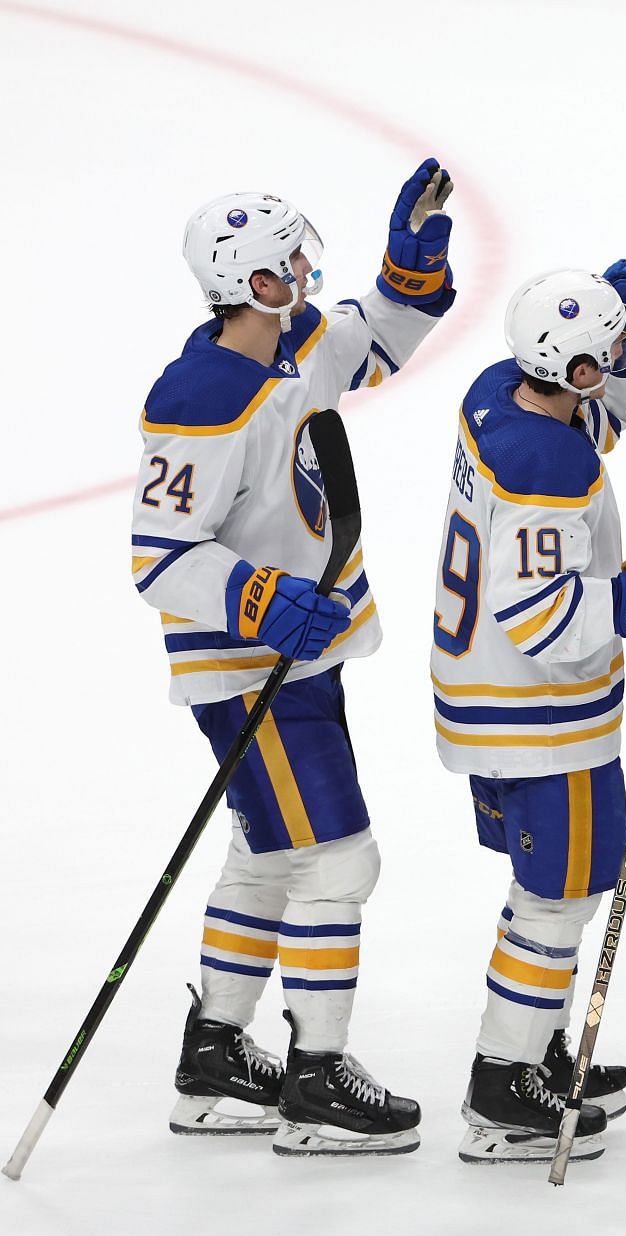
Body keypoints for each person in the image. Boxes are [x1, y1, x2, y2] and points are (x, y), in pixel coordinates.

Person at [133, 160, 456, 1154]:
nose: (306, 275)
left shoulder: (299, 344)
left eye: (304, 257)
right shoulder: (197, 395)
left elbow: (382, 334)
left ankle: (214, 1055)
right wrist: (262, 599)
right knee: (339, 857)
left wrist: (411, 264)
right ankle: (316, 1078)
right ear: (244, 283)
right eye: (286, 266)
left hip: (305, 657)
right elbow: (161, 556)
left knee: (269, 852)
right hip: (245, 669)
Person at [431, 266, 626, 1163]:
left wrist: (615, 340)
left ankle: (535, 1051)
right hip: (537, 714)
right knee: (557, 899)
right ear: (580, 371)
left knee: (548, 893)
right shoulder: (545, 460)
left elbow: (588, 409)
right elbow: (544, 615)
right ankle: (504, 1088)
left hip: (492, 697)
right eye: (616, 355)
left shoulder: (499, 394)